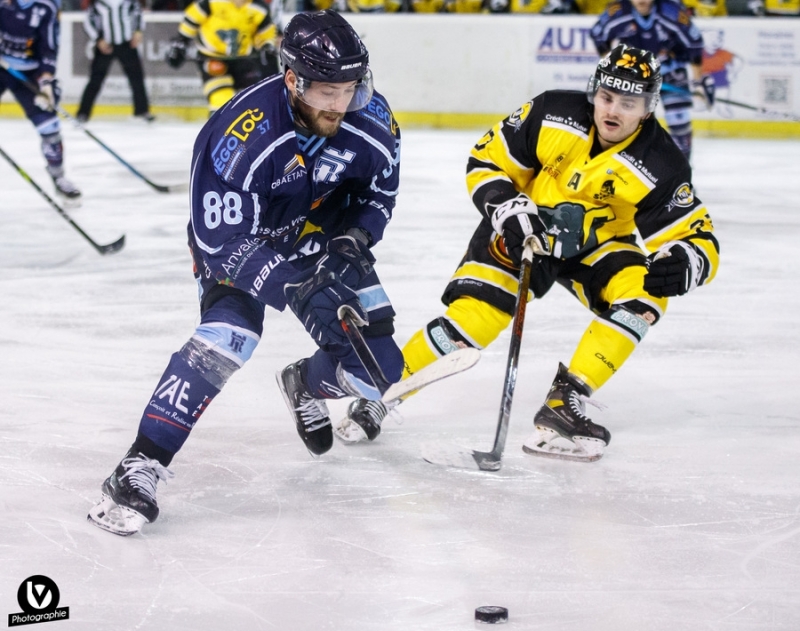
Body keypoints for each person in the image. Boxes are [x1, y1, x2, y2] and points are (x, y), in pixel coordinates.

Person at [88, 10, 403, 536]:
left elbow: (379, 192)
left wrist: (354, 238)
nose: (341, 103)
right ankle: (138, 466)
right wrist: (290, 285)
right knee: (229, 337)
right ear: (292, 80)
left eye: (350, 87)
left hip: (317, 234)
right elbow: (218, 239)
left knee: (377, 371)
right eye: (327, 91)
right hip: (246, 242)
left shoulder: (371, 121)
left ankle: (303, 383)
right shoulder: (242, 134)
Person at [337, 44, 720, 463]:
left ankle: (565, 400)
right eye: (607, 97)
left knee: (644, 296)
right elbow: (486, 161)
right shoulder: (552, 112)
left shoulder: (661, 162)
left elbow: (695, 234)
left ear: (648, 108)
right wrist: (506, 205)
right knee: (471, 321)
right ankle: (384, 392)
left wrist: (688, 261)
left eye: (628, 103)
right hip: (526, 229)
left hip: (598, 246)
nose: (613, 111)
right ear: (595, 91)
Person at [590, 0, 715, 161]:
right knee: (638, 122)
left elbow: (694, 43)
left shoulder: (671, 12)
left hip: (671, 70)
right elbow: (598, 35)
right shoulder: (618, 12)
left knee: (679, 119)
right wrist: (612, 65)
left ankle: (682, 174)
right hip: (636, 76)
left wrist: (698, 82)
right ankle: (642, 174)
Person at [0, 0, 81, 200]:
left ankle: (58, 177)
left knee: (49, 127)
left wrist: (45, 82)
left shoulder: (47, 7)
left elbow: (49, 48)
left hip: (30, 74)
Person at [165, 0, 279, 116]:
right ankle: (219, 128)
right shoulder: (210, 3)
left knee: (251, 102)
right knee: (220, 98)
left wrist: (266, 47)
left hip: (244, 60)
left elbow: (265, 33)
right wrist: (181, 43)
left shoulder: (259, 8)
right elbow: (191, 22)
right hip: (212, 58)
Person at [76, 0, 155, 123]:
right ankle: (83, 113)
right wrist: (98, 39)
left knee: (136, 78)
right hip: (105, 45)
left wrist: (138, 31)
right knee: (95, 80)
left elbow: (138, 14)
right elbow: (89, 22)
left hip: (127, 43)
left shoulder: (129, 2)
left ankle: (142, 111)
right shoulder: (98, 4)